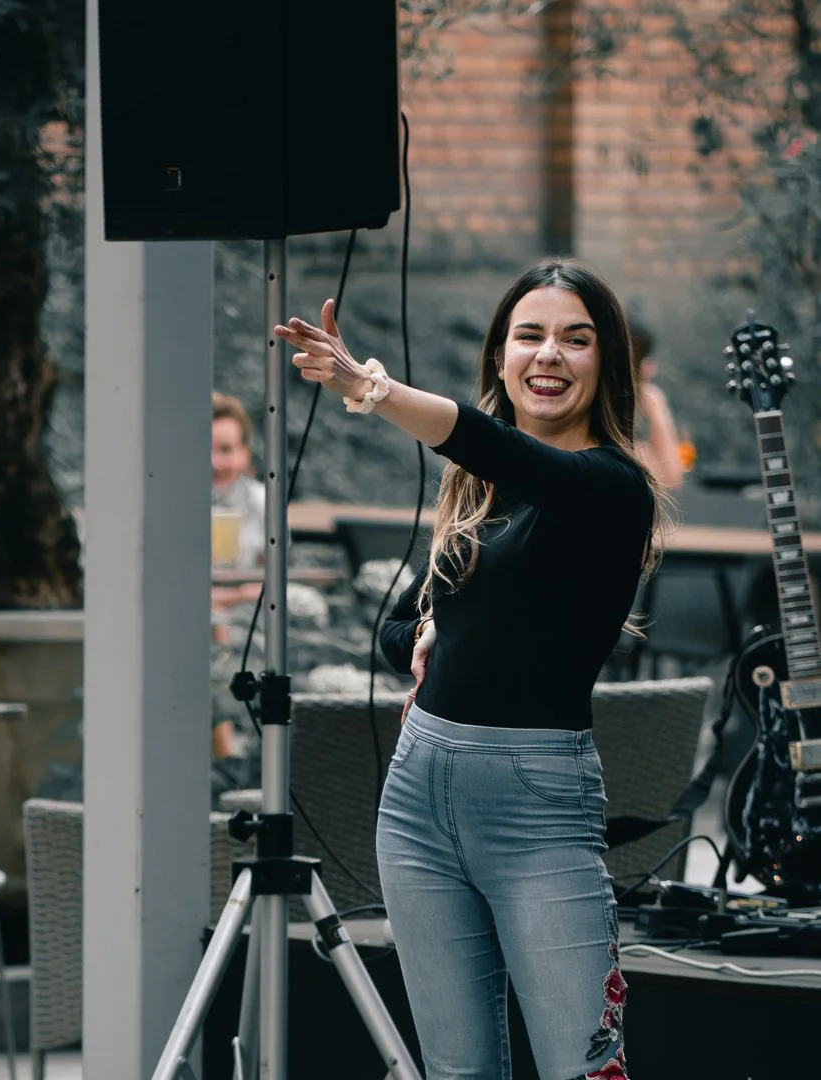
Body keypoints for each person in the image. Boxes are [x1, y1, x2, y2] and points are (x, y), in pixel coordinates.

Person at [276, 258, 663, 1080]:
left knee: (582, 1070)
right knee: (456, 1072)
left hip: (538, 805)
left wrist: (369, 386)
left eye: (576, 339)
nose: (549, 355)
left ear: (607, 364)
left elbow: (501, 448)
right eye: (530, 335)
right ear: (500, 356)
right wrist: (420, 638)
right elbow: (396, 623)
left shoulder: (611, 487)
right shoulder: (478, 495)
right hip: (418, 793)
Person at [209, 391, 265, 764]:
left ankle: (228, 755)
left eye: (226, 449)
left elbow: (268, 581)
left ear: (244, 452)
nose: (217, 461)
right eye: (207, 448)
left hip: (247, 618)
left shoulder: (262, 503)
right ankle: (227, 755)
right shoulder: (171, 502)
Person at [629, 322, 686, 489]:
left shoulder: (650, 398)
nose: (653, 368)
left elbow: (674, 477)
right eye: (645, 358)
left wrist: (653, 405)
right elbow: (670, 478)